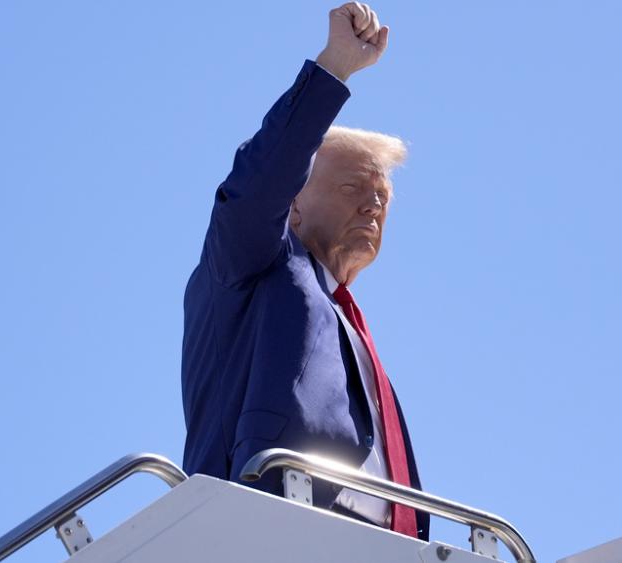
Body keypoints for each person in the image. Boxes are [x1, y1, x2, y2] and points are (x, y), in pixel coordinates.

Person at [180, 3, 429, 540]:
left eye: (382, 198)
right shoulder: (253, 263)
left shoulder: (348, 326)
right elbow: (258, 184)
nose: (372, 208)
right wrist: (334, 68)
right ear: (292, 205)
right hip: (266, 529)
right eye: (350, 190)